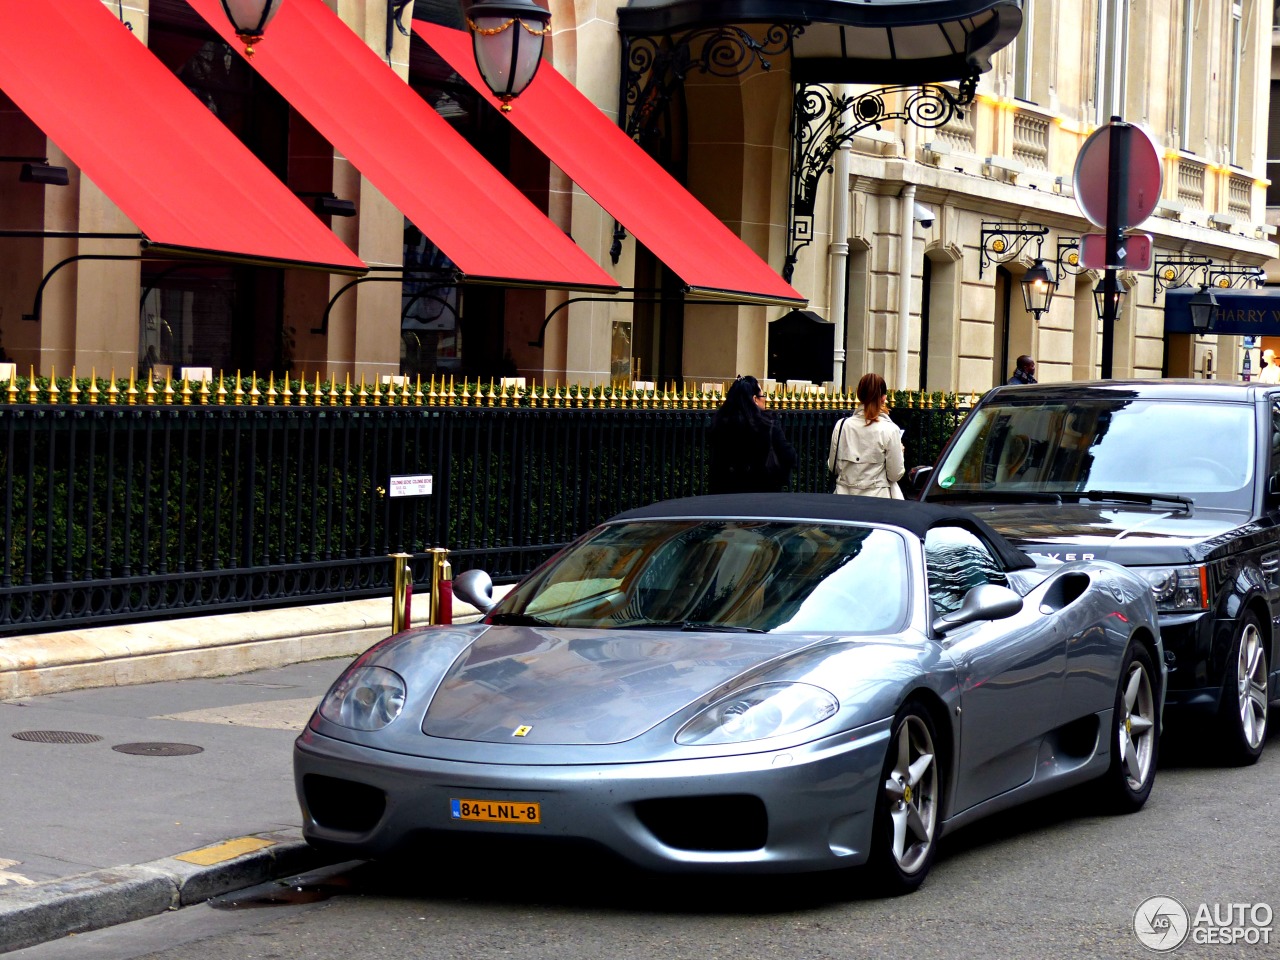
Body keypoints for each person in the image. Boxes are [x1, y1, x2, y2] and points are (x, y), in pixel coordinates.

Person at [707, 375, 796, 493]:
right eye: (762, 395)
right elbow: (789, 455)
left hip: (726, 493)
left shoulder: (719, 423)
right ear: (755, 399)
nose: (765, 399)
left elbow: (716, 464)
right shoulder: (768, 424)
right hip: (763, 492)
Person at [828, 373, 905, 498]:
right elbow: (895, 474)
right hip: (878, 501)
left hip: (844, 499)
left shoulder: (841, 426)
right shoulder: (890, 430)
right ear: (884, 398)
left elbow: (833, 467)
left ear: (859, 395)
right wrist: (900, 452)